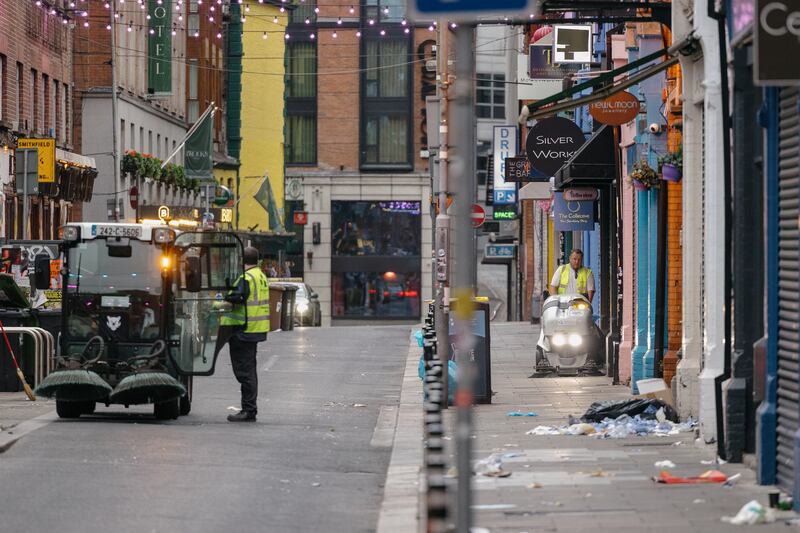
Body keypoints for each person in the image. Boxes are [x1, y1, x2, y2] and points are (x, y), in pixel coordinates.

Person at [219, 246, 271, 422]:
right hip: (255, 329)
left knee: (245, 372)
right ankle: (250, 409)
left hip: (243, 329)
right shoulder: (260, 276)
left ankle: (249, 410)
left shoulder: (246, 277)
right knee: (249, 371)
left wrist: (224, 298)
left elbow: (238, 297)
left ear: (242, 260)